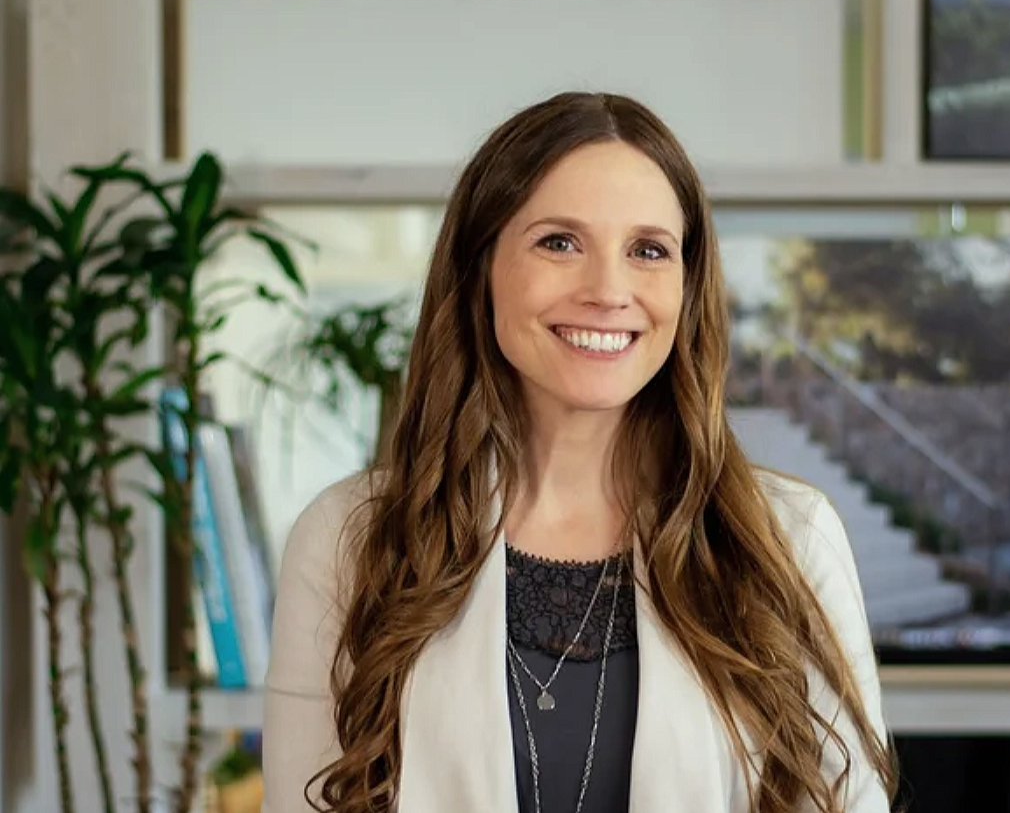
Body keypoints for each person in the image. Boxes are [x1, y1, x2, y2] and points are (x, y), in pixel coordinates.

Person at [261, 91, 898, 813]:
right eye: (558, 242)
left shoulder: (792, 537)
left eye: (648, 250)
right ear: (480, 268)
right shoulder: (350, 536)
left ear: (687, 289)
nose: (607, 290)